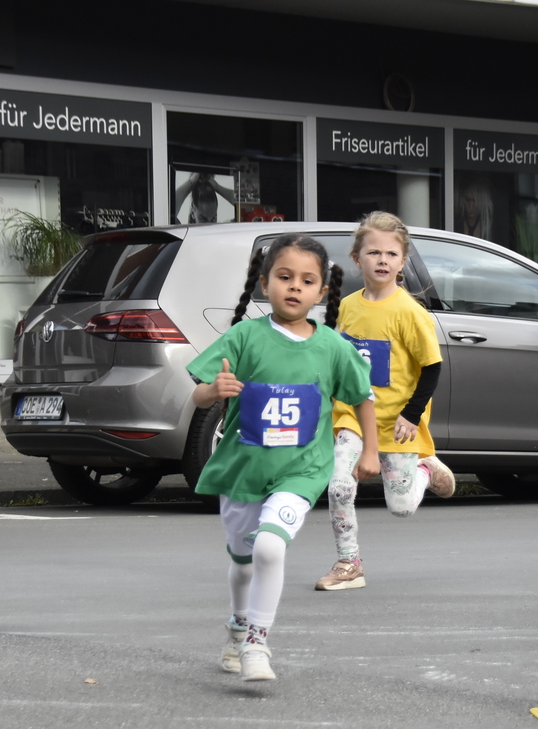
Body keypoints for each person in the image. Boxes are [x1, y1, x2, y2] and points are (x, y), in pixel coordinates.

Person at [186, 234, 377, 681]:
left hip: (302, 471)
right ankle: (237, 625)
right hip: (245, 470)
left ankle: (257, 642)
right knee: (242, 563)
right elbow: (197, 394)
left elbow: (363, 396)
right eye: (284, 277)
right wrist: (213, 391)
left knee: (271, 547)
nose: (294, 287)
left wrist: (370, 450)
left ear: (321, 291)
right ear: (264, 283)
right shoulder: (245, 336)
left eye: (306, 280)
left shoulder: (332, 346)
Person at [316, 211, 454, 592]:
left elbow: (431, 369)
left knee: (402, 507)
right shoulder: (347, 307)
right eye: (373, 252)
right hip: (352, 418)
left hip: (397, 423)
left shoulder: (410, 313)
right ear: (357, 258)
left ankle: (426, 469)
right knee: (340, 485)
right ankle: (349, 562)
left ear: (402, 262)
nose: (382, 260)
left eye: (391, 254)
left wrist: (412, 415)